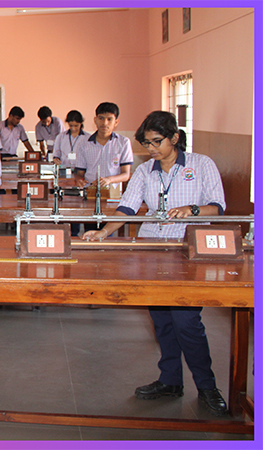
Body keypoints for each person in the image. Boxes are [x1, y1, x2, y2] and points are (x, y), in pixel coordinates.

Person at [83, 111, 228, 416]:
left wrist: (192, 209)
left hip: (187, 252)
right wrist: (104, 232)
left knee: (187, 322)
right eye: (146, 143)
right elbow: (127, 208)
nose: (151, 149)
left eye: (156, 142)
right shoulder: (145, 171)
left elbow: (218, 206)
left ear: (174, 138)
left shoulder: (201, 164)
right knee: (162, 320)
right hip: (152, 251)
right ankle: (170, 380)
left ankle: (207, 386)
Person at [74, 102, 133, 189]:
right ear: (95, 120)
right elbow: (79, 174)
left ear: (116, 122)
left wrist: (109, 179)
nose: (105, 123)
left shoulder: (123, 142)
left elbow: (126, 174)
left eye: (109, 119)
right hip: (91, 191)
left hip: (113, 192)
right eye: (101, 118)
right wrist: (79, 180)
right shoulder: (84, 144)